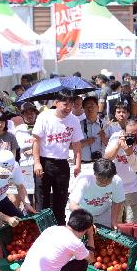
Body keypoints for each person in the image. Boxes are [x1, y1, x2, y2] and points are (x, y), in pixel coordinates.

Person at [32, 92, 84, 225]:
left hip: (62, 163)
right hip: (44, 161)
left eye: (71, 105)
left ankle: (59, 229)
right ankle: (42, 229)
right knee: (42, 200)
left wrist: (78, 164)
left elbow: (77, 144)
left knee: (60, 200)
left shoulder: (74, 120)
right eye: (65, 104)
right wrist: (37, 163)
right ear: (56, 102)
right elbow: (36, 141)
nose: (68, 108)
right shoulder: (45, 116)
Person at [19, 209, 95, 271]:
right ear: (85, 229)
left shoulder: (51, 229)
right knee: (83, 262)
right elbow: (91, 259)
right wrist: (90, 235)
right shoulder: (75, 243)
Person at [104, 120, 137, 223]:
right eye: (130, 135)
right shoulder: (116, 137)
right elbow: (107, 158)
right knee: (116, 223)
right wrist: (118, 145)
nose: (133, 138)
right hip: (115, 187)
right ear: (124, 132)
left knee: (134, 224)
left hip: (133, 187)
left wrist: (130, 153)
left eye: (136, 134)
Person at [69, 159, 125, 229]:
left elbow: (116, 202)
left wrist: (113, 222)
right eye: (101, 179)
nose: (104, 182)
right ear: (95, 174)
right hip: (82, 214)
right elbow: (72, 205)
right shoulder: (85, 180)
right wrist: (87, 220)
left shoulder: (117, 181)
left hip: (104, 212)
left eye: (108, 180)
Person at [13, 103, 38, 207]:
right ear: (22, 115)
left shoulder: (41, 125)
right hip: (25, 165)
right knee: (28, 194)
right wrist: (36, 145)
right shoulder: (19, 129)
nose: (30, 115)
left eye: (32, 112)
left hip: (38, 164)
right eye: (26, 113)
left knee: (39, 193)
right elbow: (22, 146)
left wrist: (33, 150)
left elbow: (46, 144)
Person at [79, 96, 107, 165]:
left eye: (92, 106)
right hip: (84, 164)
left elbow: (113, 145)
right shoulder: (78, 126)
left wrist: (104, 139)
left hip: (102, 164)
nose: (90, 109)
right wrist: (85, 142)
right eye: (87, 106)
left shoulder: (106, 125)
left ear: (97, 108)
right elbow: (71, 146)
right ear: (83, 110)